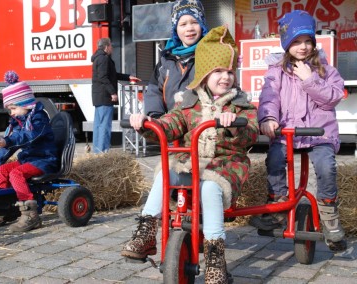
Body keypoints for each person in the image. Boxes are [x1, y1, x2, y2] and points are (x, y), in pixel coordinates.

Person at [121, 25, 259, 283]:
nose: (225, 77)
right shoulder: (188, 102)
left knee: (209, 188)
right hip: (192, 161)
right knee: (165, 173)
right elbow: (170, 124)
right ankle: (147, 232)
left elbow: (251, 133)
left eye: (230, 72)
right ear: (204, 74)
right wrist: (147, 123)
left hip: (226, 163)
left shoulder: (240, 105)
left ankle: (216, 257)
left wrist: (233, 125)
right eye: (218, 71)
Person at [249, 10, 347, 252]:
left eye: (307, 41)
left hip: (319, 133)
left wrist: (309, 79)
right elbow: (269, 97)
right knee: (274, 158)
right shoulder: (276, 72)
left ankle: (328, 210)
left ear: (314, 43)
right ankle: (278, 204)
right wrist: (269, 118)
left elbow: (333, 98)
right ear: (286, 44)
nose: (302, 47)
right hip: (288, 132)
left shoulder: (326, 70)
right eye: (295, 41)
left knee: (325, 165)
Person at [0, 71, 60, 232]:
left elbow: (28, 137)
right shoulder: (18, 122)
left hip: (44, 160)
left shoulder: (38, 119)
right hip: (28, 160)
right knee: (2, 170)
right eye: (10, 109)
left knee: (16, 174)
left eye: (13, 108)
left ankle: (30, 215)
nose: (12, 113)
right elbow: (10, 145)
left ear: (25, 103)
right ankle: (3, 208)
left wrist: (8, 140)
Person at [143, 0, 209, 118]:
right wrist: (156, 117)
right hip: (170, 127)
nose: (189, 28)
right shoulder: (166, 59)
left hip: (202, 127)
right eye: (183, 24)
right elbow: (154, 90)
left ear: (202, 24)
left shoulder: (212, 54)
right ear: (175, 29)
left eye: (194, 22)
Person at [91, 37, 140, 153]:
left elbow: (112, 74)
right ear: (107, 46)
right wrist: (112, 92)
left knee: (98, 125)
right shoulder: (104, 59)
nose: (112, 49)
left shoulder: (99, 58)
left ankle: (97, 152)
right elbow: (103, 77)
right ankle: (103, 152)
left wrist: (128, 77)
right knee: (104, 126)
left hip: (99, 96)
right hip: (104, 96)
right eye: (111, 46)